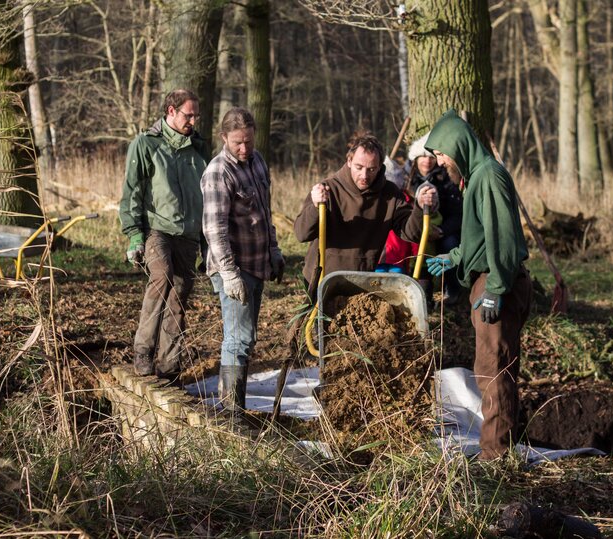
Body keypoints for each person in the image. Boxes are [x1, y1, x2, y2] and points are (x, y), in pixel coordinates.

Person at [424, 109, 533, 461]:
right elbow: (480, 237)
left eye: (441, 153)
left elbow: (501, 238)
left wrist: (496, 289)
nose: (440, 162)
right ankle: (502, 448)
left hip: (496, 283)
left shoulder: (490, 177)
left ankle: (495, 457)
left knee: (492, 371)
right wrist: (455, 257)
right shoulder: (474, 178)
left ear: (457, 145)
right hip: (487, 279)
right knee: (494, 368)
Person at [201, 107, 285, 413]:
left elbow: (265, 212)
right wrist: (229, 274)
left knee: (245, 339)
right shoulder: (218, 172)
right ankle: (230, 412)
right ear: (224, 137)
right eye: (238, 142)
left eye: (249, 140)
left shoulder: (258, 161)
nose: (244, 148)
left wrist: (273, 250)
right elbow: (214, 229)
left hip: (257, 260)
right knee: (238, 340)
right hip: (234, 266)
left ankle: (234, 405)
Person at [119, 88, 208, 378]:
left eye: (196, 115)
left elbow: (207, 197)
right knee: (162, 276)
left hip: (189, 233)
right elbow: (132, 191)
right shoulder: (146, 145)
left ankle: (170, 365)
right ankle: (143, 351)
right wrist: (134, 235)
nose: (193, 121)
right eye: (188, 115)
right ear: (171, 111)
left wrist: (207, 244)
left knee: (180, 294)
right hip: (156, 229)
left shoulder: (199, 149)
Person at [293, 131, 437, 286]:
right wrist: (315, 207)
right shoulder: (328, 189)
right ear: (349, 161)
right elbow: (302, 234)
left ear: (380, 166)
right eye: (359, 167)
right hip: (324, 277)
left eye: (371, 169)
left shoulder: (390, 194)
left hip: (364, 279)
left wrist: (419, 208)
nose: (364, 175)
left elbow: (411, 233)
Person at [407, 132, 463, 305]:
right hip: (418, 229)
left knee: (449, 245)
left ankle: (452, 290)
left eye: (431, 156)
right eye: (422, 156)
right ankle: (422, 294)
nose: (427, 160)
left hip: (444, 229)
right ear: (415, 159)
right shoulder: (408, 180)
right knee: (416, 252)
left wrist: (442, 230)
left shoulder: (448, 178)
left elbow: (458, 213)